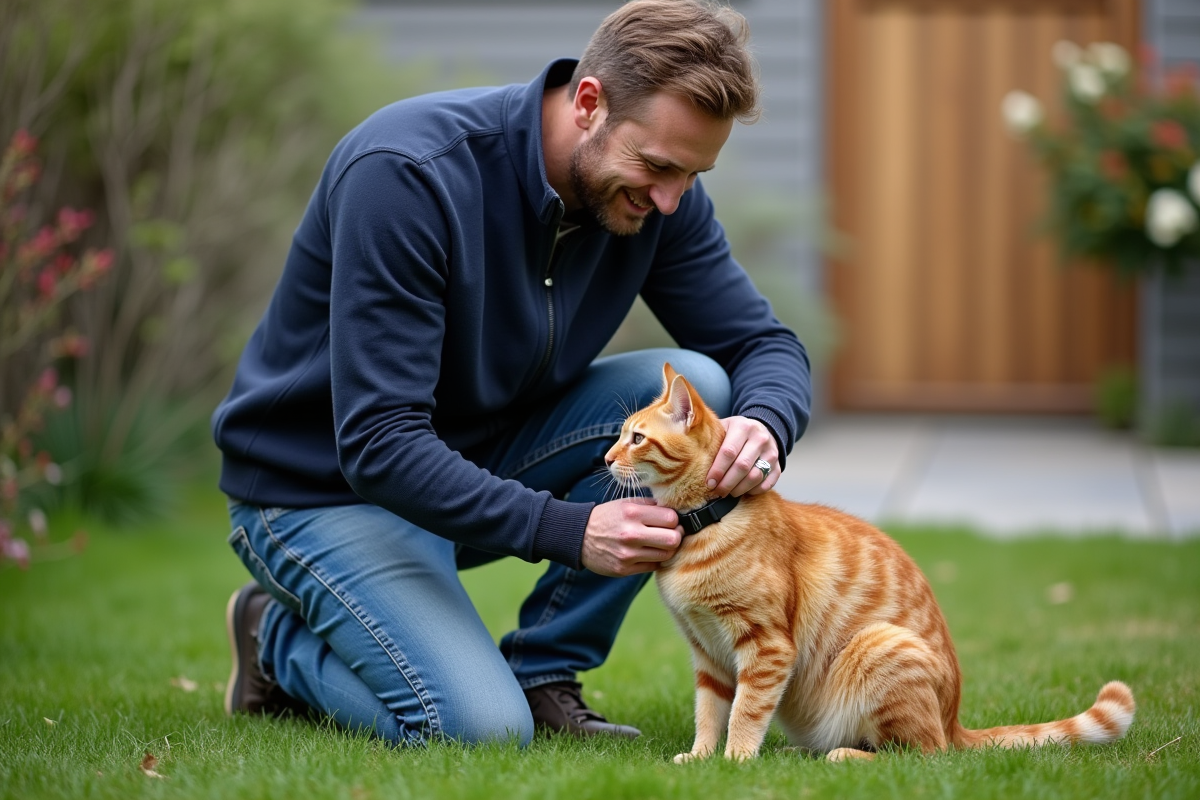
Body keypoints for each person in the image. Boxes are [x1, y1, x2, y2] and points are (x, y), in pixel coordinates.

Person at [213, 0, 811, 747]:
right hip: (319, 491)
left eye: (692, 174)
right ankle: (273, 639)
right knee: (478, 729)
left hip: (477, 459)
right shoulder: (408, 175)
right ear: (589, 103)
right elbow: (378, 441)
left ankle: (544, 675)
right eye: (658, 166)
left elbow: (761, 344)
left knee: (704, 388)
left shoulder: (662, 200)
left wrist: (765, 422)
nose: (669, 199)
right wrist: (568, 529)